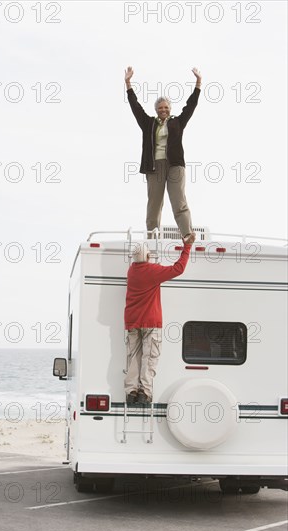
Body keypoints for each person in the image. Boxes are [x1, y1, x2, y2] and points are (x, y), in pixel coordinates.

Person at [124, 66, 202, 244]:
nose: (163, 110)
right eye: (160, 108)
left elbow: (191, 106)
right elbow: (135, 107)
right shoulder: (148, 123)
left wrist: (198, 83)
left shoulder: (178, 122)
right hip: (154, 166)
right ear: (156, 109)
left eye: (166, 107)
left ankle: (187, 234)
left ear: (170, 108)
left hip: (175, 165)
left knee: (179, 201)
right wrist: (128, 84)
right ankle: (152, 237)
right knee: (154, 204)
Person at [124, 239, 193, 405]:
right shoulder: (152, 271)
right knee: (149, 357)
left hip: (132, 320)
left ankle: (131, 391)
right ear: (148, 256)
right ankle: (144, 392)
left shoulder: (131, 271)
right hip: (150, 322)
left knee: (133, 357)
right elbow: (179, 268)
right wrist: (187, 247)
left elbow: (144, 266)